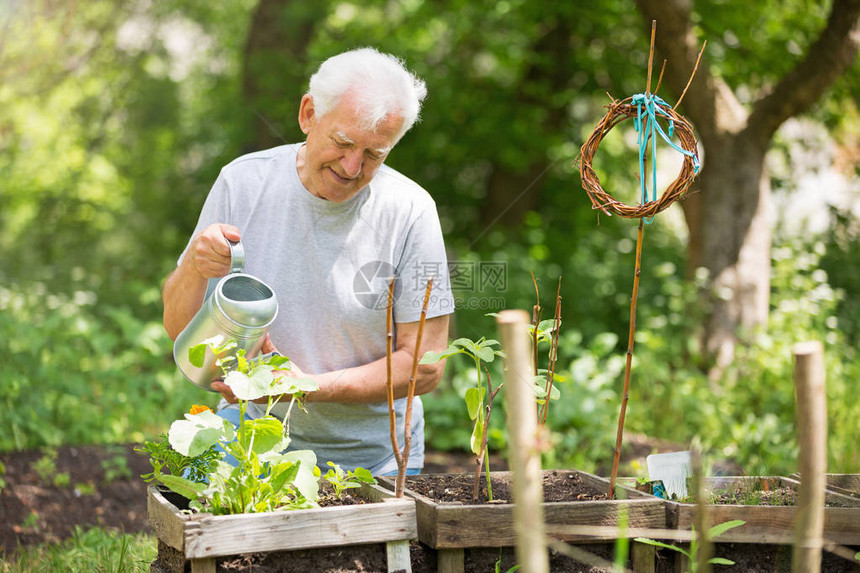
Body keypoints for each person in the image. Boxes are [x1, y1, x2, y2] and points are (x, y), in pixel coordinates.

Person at [162, 48, 454, 475]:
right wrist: (194, 266)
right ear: (308, 114)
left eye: (375, 155)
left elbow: (426, 367)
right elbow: (179, 333)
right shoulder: (242, 183)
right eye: (343, 143)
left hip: (373, 460)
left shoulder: (410, 211)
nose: (353, 167)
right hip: (249, 442)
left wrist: (308, 388)